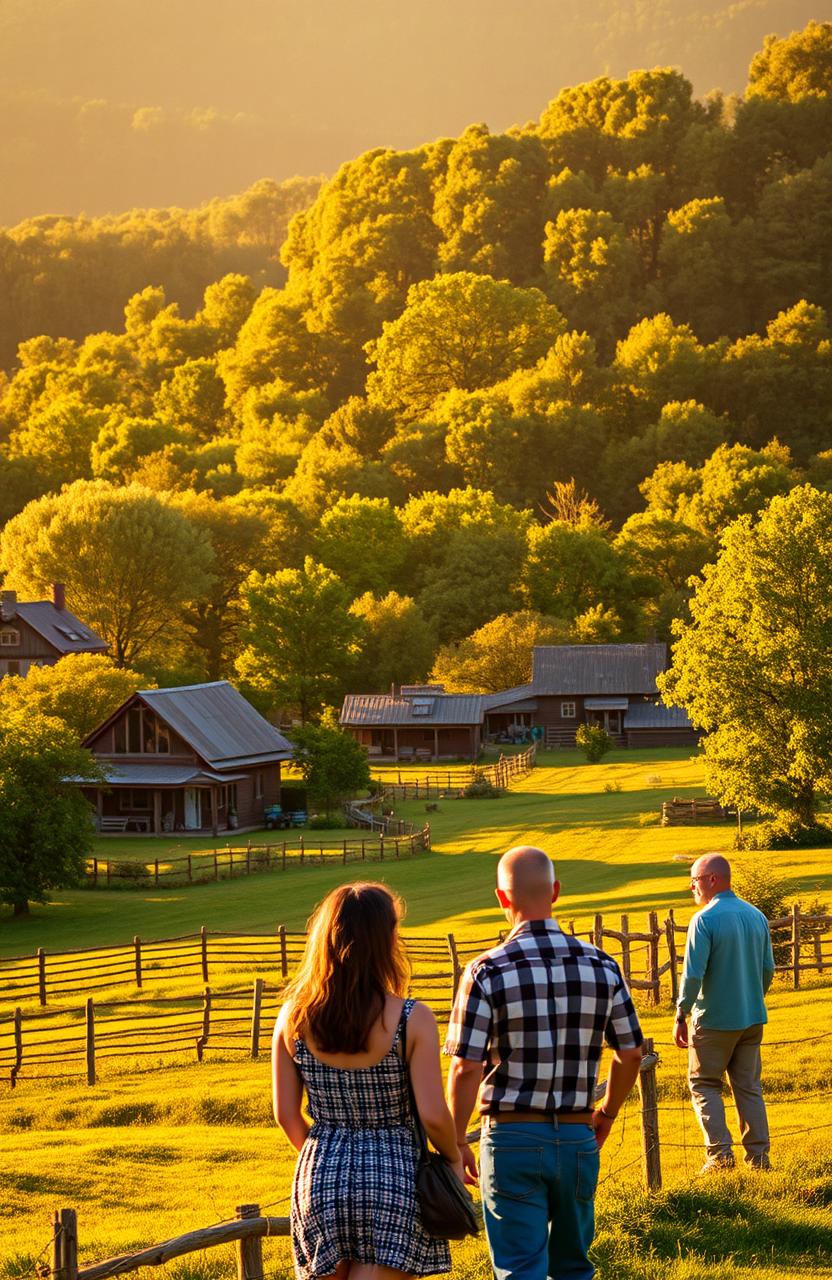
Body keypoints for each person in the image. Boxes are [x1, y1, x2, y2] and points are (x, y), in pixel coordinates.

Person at [444, 845, 644, 1280]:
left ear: (501, 898)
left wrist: (456, 1140)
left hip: (512, 1135)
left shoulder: (485, 971)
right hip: (576, 1136)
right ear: (555, 891)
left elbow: (465, 1067)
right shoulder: (602, 965)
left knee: (520, 1269)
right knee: (573, 1267)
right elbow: (630, 1052)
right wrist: (606, 1110)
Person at [272, 882, 462, 1280]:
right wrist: (454, 1156)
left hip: (320, 1176)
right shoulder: (412, 1018)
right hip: (395, 1175)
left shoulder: (292, 1017)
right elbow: (433, 1116)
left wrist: (331, 1152)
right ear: (386, 940)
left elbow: (286, 1116)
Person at [674, 853, 775, 1174]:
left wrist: (681, 1013)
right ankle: (759, 1159)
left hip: (714, 1020)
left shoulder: (704, 920)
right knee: (748, 1087)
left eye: (696, 880)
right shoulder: (756, 915)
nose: (692, 886)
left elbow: (692, 975)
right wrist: (752, 996)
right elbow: (768, 969)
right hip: (752, 1017)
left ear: (712, 880)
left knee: (704, 1083)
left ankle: (720, 1156)